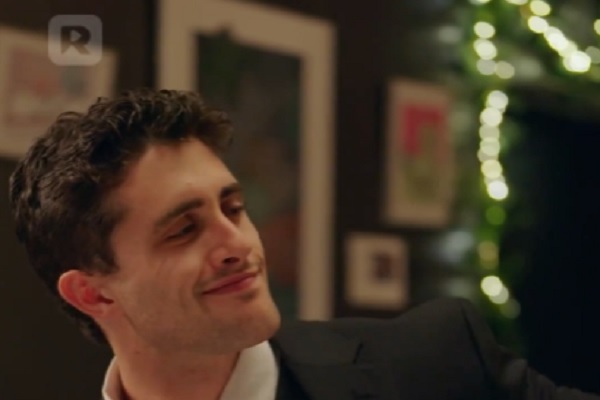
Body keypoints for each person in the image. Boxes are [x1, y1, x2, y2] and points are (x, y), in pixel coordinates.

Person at [8, 88, 599, 400]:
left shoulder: (434, 364)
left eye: (233, 208)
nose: (237, 242)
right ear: (93, 293)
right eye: (183, 230)